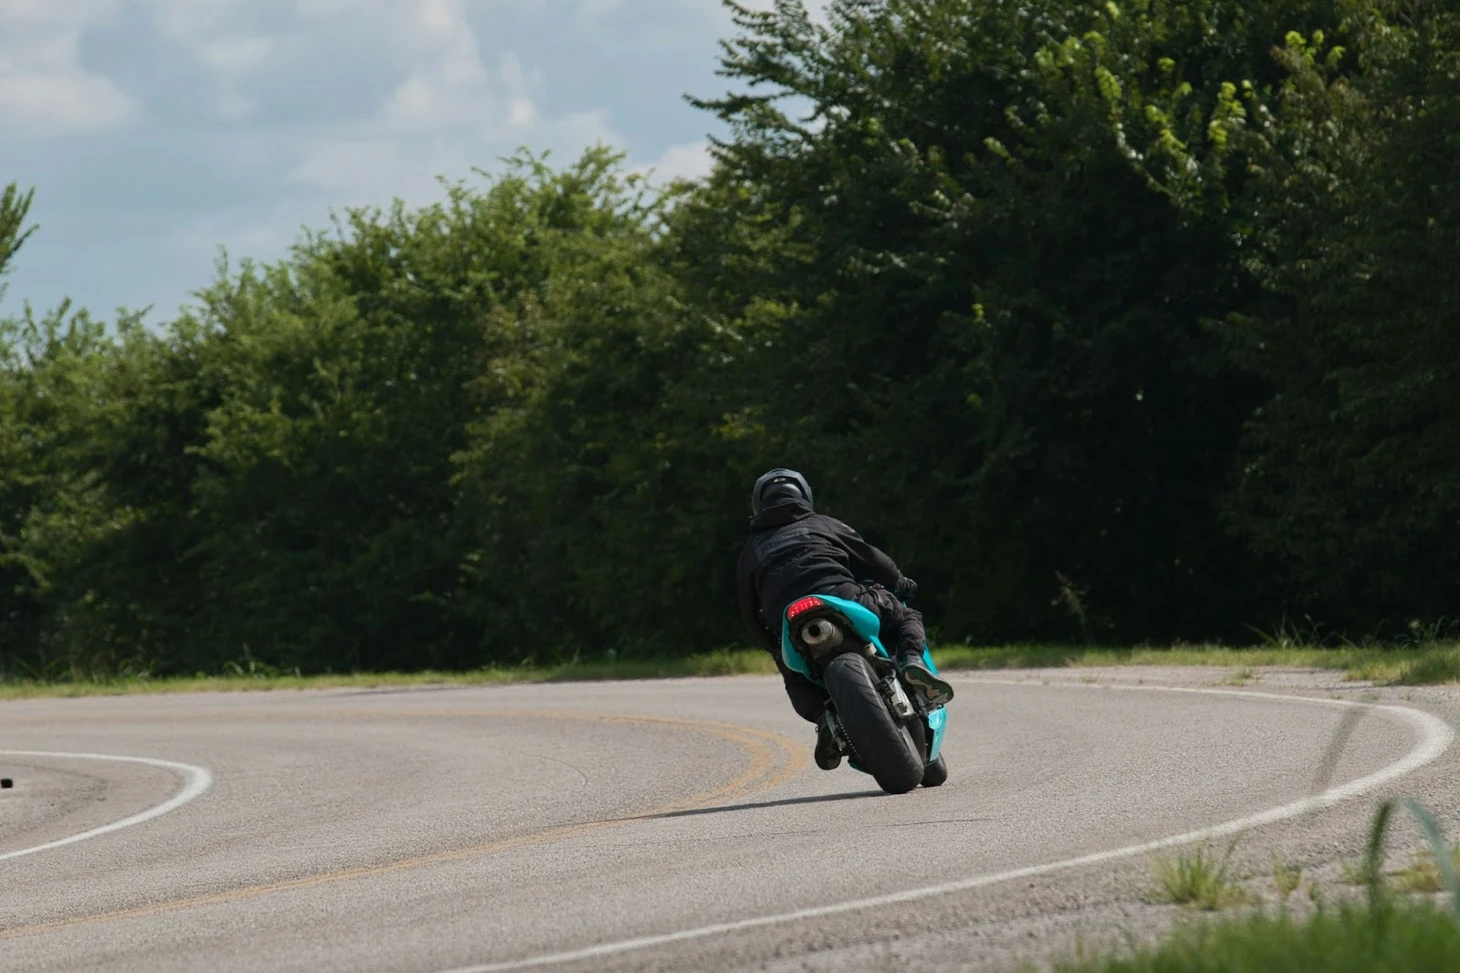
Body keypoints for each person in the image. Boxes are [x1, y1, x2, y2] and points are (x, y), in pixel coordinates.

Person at [735, 468, 954, 770]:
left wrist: (772, 645)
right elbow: (873, 559)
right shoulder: (822, 524)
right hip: (841, 595)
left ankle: (823, 719)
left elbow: (749, 611)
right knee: (906, 615)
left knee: (793, 675)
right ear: (804, 496)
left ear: (759, 505)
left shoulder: (750, 550)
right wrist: (899, 582)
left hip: (788, 621)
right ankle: (912, 662)